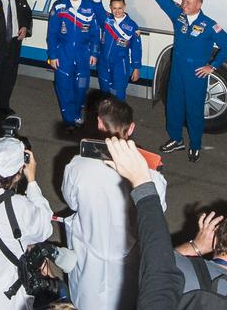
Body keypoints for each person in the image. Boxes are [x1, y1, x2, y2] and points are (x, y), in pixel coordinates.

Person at [62, 96, 167, 310]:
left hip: (89, 258)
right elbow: (156, 213)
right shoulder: (149, 174)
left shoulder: (78, 165)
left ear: (99, 123)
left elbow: (71, 201)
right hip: (130, 261)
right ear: (131, 128)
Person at [144, 0, 227, 161]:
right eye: (184, 1)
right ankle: (176, 139)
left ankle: (195, 144)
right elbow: (163, 1)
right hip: (176, 73)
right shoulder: (179, 17)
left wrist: (213, 66)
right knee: (173, 107)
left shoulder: (210, 25)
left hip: (195, 76)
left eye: (188, 2)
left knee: (194, 111)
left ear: (198, 5)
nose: (184, 4)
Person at [0, 136, 55, 309]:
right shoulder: (21, 207)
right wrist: (32, 181)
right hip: (4, 299)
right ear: (21, 169)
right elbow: (45, 228)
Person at [47, 0, 100, 131]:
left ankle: (77, 113)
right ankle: (69, 120)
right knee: (64, 88)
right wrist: (53, 56)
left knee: (81, 87)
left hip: (83, 54)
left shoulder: (90, 7)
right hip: (64, 54)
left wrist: (94, 53)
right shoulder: (59, 6)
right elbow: (52, 34)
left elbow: (96, 34)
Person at [90, 0, 142, 101]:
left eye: (119, 8)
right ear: (111, 8)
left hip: (121, 64)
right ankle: (105, 119)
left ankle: (119, 120)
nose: (117, 11)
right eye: (114, 8)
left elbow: (136, 49)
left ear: (124, 6)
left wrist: (136, 68)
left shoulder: (132, 26)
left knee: (118, 95)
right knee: (105, 94)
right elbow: (98, 9)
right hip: (103, 62)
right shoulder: (106, 20)